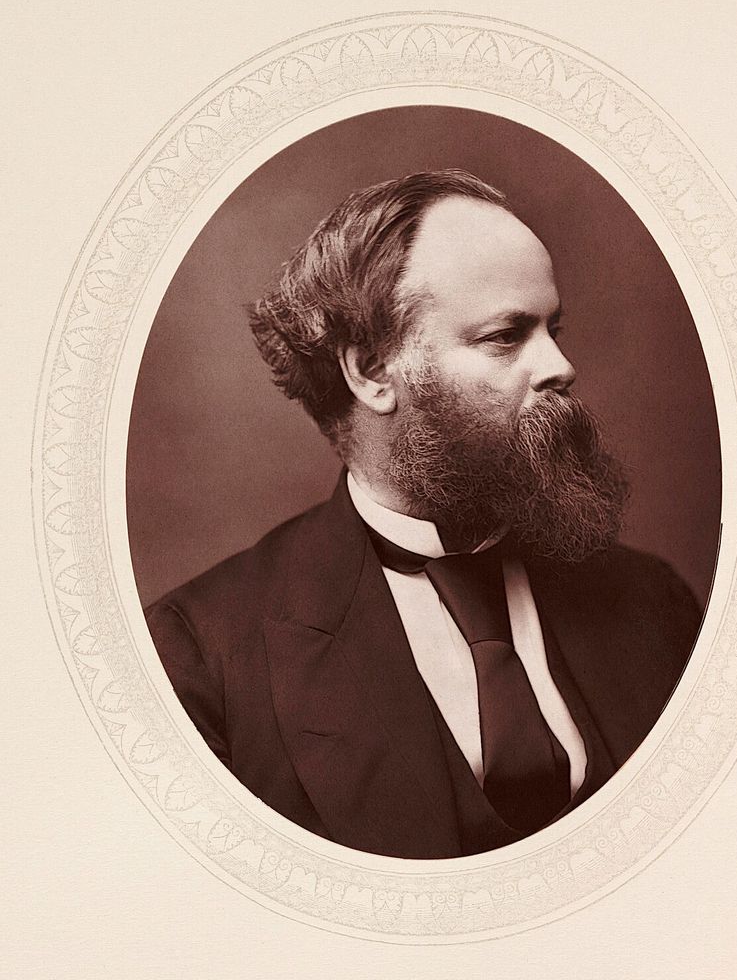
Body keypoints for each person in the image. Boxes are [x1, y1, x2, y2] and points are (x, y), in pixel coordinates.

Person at [146, 169, 702, 859]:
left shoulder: (657, 603)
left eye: (553, 329)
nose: (560, 366)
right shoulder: (201, 659)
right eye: (506, 336)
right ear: (373, 372)